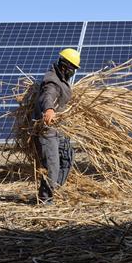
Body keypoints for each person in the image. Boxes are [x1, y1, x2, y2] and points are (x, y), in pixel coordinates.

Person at [35, 48, 80, 204]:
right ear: (64, 66)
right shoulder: (52, 80)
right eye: (72, 68)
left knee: (67, 158)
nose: (73, 71)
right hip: (48, 130)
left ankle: (55, 191)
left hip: (60, 128)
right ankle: (45, 200)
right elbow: (48, 95)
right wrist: (49, 109)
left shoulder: (62, 80)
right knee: (52, 164)